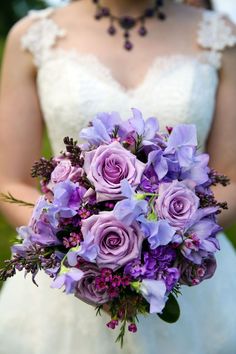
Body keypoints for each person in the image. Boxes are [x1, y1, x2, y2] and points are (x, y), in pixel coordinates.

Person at [0, 0, 236, 353]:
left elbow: (230, 176)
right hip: (70, 285)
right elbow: (10, 182)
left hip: (191, 286)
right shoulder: (32, 37)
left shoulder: (220, 37)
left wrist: (171, 246)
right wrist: (77, 246)